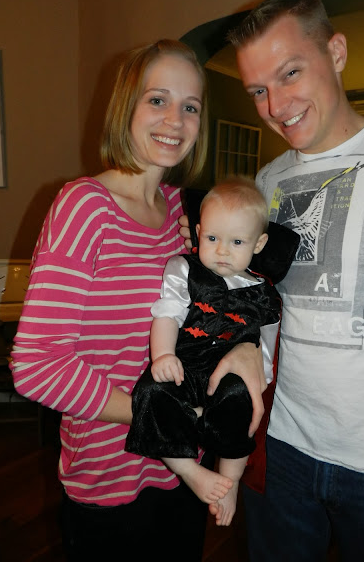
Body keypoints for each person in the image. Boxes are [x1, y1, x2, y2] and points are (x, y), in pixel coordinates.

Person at [180, 0, 364, 562]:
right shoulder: (268, 180)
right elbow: (260, 299)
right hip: (282, 449)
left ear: (337, 52)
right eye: (258, 89)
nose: (276, 104)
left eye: (290, 73)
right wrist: (248, 346)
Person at [10, 39, 262, 562]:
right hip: (108, 478)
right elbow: (37, 366)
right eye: (157, 100)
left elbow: (218, 310)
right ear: (126, 106)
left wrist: (244, 349)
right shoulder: (84, 207)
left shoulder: (185, 216)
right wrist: (163, 418)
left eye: (190, 106)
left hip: (184, 474)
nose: (175, 120)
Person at [125, 177, 282, 527]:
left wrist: (262, 378)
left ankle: (230, 481)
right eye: (212, 238)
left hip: (227, 374)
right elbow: (167, 314)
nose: (222, 251)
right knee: (151, 394)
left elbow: (266, 343)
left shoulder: (264, 293)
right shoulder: (184, 269)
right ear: (198, 233)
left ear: (259, 243)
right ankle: (190, 471)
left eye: (237, 242)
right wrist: (163, 355)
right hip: (183, 367)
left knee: (240, 401)